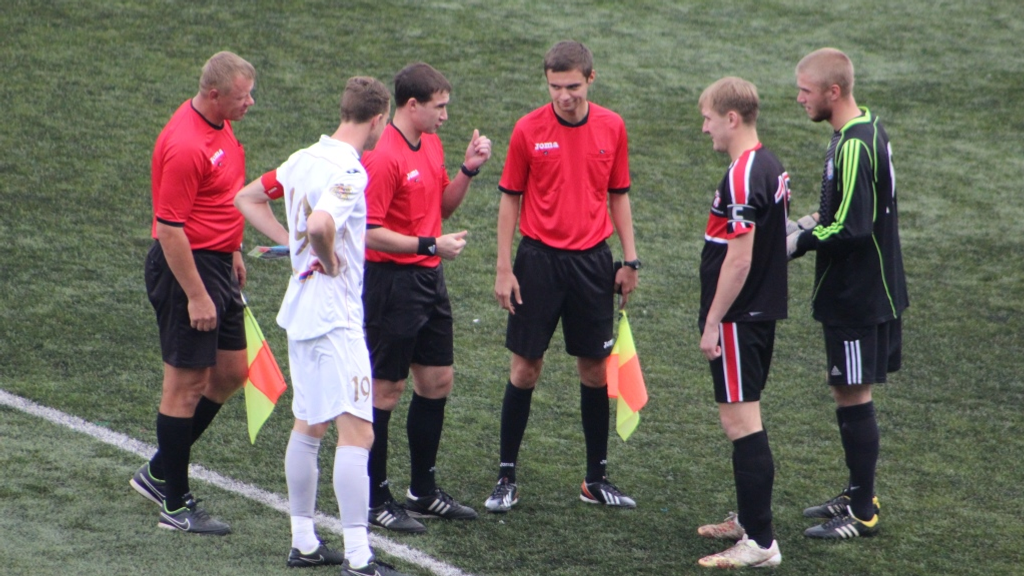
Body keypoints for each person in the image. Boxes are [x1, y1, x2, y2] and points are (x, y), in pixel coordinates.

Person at [234, 76, 410, 576]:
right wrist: (325, 257)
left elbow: (247, 197)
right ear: (378, 119)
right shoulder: (349, 171)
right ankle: (358, 556)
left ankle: (304, 542)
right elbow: (319, 225)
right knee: (358, 433)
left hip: (301, 312)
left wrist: (291, 245)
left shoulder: (302, 158)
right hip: (335, 317)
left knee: (309, 424)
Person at [486, 40, 640, 513]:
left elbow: (619, 194)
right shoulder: (528, 129)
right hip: (538, 263)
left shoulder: (612, 126)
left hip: (593, 263)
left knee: (594, 370)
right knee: (524, 369)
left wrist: (630, 260)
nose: (563, 96)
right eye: (555, 87)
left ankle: (595, 479)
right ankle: (506, 476)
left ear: (591, 79)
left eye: (572, 86)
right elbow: (510, 198)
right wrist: (504, 267)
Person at [360, 62, 492, 533]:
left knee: (437, 381)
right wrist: (430, 245)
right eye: (440, 107)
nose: (445, 116)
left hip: (428, 281)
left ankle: (422, 492)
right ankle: (375, 498)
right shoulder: (383, 156)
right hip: (391, 284)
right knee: (386, 390)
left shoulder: (430, 143)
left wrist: (468, 170)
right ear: (411, 105)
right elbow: (370, 232)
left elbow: (441, 207)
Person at [132, 51, 255, 535]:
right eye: (243, 96)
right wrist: (197, 295)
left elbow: (222, 197)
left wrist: (235, 249)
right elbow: (169, 229)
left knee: (231, 372)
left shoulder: (221, 126)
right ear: (214, 94)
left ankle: (158, 470)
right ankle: (176, 506)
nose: (250, 103)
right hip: (188, 268)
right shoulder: (186, 144)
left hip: (217, 262)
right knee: (184, 386)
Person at [789, 48, 909, 539]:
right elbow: (844, 209)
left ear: (832, 92)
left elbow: (852, 228)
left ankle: (862, 510)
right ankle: (859, 491)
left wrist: (797, 243)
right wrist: (804, 222)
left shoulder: (855, 143)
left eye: (805, 91)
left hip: (859, 295)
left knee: (854, 391)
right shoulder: (861, 129)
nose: (800, 99)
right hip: (862, 289)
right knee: (846, 389)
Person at [691, 77, 788, 569]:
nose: (704, 127)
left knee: (741, 423)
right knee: (746, 418)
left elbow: (740, 258)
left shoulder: (743, 173)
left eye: (708, 118)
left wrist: (713, 321)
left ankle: (761, 543)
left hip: (738, 316)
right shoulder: (769, 164)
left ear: (732, 118)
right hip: (757, 312)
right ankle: (749, 519)